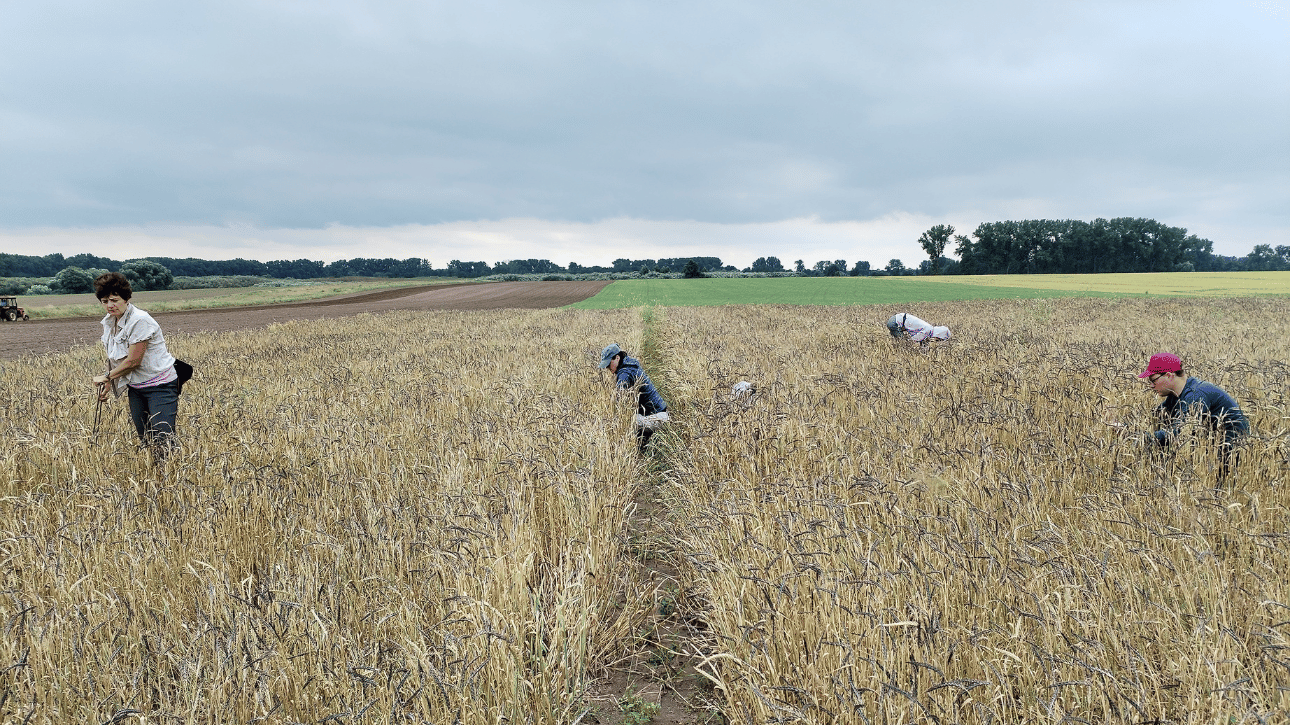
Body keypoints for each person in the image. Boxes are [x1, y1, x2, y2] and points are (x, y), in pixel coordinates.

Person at [92, 272, 181, 461]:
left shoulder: (140, 320)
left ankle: (171, 476)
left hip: (160, 386)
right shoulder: (110, 322)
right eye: (104, 301)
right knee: (146, 438)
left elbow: (133, 361)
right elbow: (116, 357)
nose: (109, 305)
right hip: (136, 387)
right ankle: (156, 476)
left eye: (114, 300)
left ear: (126, 298)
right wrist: (111, 381)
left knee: (162, 438)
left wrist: (107, 376)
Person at [1138, 352, 1249, 477]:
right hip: (1213, 448)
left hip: (1230, 454)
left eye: (1153, 380)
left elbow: (1178, 433)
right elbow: (1155, 416)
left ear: (1169, 375)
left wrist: (1142, 439)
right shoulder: (1176, 394)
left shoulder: (1195, 394)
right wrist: (1125, 428)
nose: (1151, 386)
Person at [598, 343, 669, 451]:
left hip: (659, 419)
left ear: (617, 358)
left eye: (608, 364)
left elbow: (619, 402)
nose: (607, 367)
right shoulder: (630, 363)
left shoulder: (625, 373)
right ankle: (645, 439)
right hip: (661, 413)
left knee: (625, 420)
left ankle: (642, 446)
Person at [886, 312, 951, 344]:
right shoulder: (927, 331)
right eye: (939, 339)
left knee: (897, 342)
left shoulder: (929, 328)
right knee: (903, 344)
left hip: (895, 319)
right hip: (895, 323)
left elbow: (922, 341)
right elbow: (913, 341)